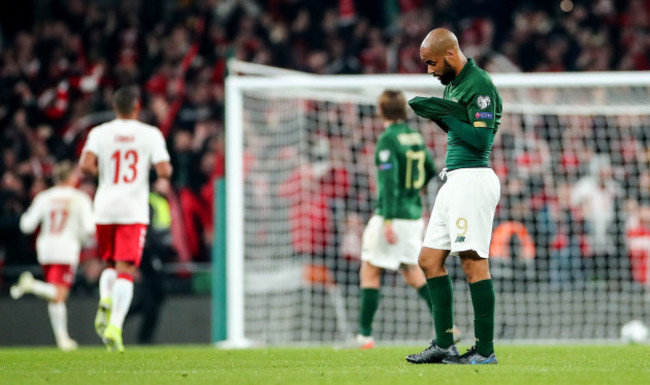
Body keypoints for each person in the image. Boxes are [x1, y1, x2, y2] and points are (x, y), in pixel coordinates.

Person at [405, 28, 502, 365]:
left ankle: (485, 350)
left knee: (473, 264)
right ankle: (445, 344)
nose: (429, 70)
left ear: (449, 54)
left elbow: (479, 141)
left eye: (431, 63)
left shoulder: (479, 83)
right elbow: (458, 127)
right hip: (454, 181)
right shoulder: (453, 84)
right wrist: (441, 111)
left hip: (473, 179)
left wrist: (440, 111)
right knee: (428, 261)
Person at [79, 87, 172, 352]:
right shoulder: (149, 133)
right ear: (136, 107)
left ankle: (105, 298)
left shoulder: (99, 132)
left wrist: (106, 174)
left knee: (109, 264)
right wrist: (162, 173)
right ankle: (115, 325)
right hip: (132, 210)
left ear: (114, 107)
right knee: (126, 270)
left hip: (105, 206)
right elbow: (164, 170)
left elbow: (85, 166)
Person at [349, 90, 437, 349]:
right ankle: (448, 325)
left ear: (381, 111)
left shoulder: (388, 139)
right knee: (412, 272)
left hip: (393, 215)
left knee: (370, 269)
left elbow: (387, 184)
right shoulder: (416, 136)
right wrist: (416, 189)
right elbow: (431, 169)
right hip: (413, 215)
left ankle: (364, 336)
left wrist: (386, 222)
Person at [10, 161, 95, 351]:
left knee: (55, 297)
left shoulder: (44, 197)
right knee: (59, 293)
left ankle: (62, 339)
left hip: (46, 249)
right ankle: (31, 284)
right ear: (71, 178)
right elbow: (89, 229)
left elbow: (27, 225)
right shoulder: (80, 198)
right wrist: (81, 237)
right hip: (66, 249)